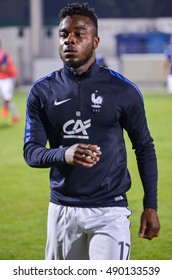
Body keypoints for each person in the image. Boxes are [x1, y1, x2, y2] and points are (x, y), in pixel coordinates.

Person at [23, 3, 160, 260]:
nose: (70, 40)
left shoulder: (123, 90)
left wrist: (150, 205)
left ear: (95, 41)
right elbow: (31, 152)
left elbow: (144, 146)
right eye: (64, 35)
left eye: (79, 33)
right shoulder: (42, 92)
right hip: (62, 209)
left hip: (111, 209)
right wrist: (64, 154)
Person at [0, 39, 20, 123]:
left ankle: (7, 108)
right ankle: (15, 116)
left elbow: (4, 67)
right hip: (2, 78)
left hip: (8, 78)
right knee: (4, 98)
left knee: (6, 96)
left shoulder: (3, 54)